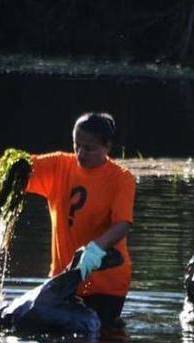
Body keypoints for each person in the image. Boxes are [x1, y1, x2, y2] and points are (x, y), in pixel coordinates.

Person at [24, 112, 135, 328]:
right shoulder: (59, 166)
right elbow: (21, 169)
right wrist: (12, 167)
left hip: (106, 284)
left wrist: (94, 251)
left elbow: (122, 223)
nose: (81, 153)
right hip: (62, 281)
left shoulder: (120, 178)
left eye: (89, 148)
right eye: (77, 145)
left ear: (107, 147)